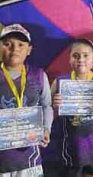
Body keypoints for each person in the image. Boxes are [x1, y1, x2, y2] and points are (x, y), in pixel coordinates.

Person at [51, 38, 93, 177]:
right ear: (69, 59)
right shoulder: (60, 82)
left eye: (86, 55)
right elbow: (49, 114)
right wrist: (54, 106)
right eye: (76, 55)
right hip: (70, 148)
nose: (81, 59)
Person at [0, 24, 53, 177]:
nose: (14, 49)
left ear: (29, 49)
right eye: (7, 44)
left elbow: (46, 105)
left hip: (30, 158)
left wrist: (46, 128)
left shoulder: (39, 75)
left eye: (20, 45)